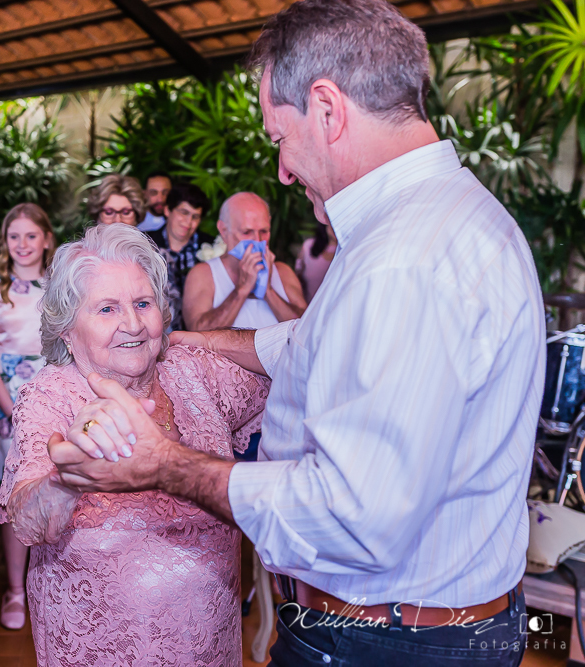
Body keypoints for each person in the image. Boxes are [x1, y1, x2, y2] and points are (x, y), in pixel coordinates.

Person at [47, 2, 544, 666]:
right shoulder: (440, 217)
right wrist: (181, 341)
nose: (282, 169)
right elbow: (310, 343)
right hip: (407, 628)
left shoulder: (403, 259)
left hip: (378, 641)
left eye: (280, 137)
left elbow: (351, 515)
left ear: (328, 109)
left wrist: (163, 463)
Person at [0, 223, 269, 665]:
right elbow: (27, 521)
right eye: (107, 309)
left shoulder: (193, 371)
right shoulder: (51, 395)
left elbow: (298, 369)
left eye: (143, 303)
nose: (133, 324)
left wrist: (211, 339)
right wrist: (67, 480)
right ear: (67, 331)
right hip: (100, 651)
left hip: (210, 646)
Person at [0, 202, 54, 631]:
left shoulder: (60, 282)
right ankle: (14, 590)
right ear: (4, 241)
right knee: (16, 496)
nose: (22, 244)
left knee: (59, 489)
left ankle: (56, 585)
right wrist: (11, 410)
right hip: (8, 400)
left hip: (55, 395)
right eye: (14, 236)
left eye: (30, 235)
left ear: (46, 239)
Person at [182, 192, 305, 331]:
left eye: (264, 231)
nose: (258, 240)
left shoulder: (283, 272)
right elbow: (197, 333)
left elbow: (308, 329)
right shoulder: (203, 274)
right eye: (246, 232)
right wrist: (242, 289)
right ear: (224, 230)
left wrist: (268, 291)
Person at [143, 182, 213, 332]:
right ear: (167, 210)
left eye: (195, 217)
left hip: (201, 329)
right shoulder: (145, 243)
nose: (188, 222)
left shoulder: (212, 246)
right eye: (184, 212)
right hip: (158, 328)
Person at [296, 220, 337, 302]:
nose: (335, 224)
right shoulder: (308, 246)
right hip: (305, 306)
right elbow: (297, 276)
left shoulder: (348, 253)